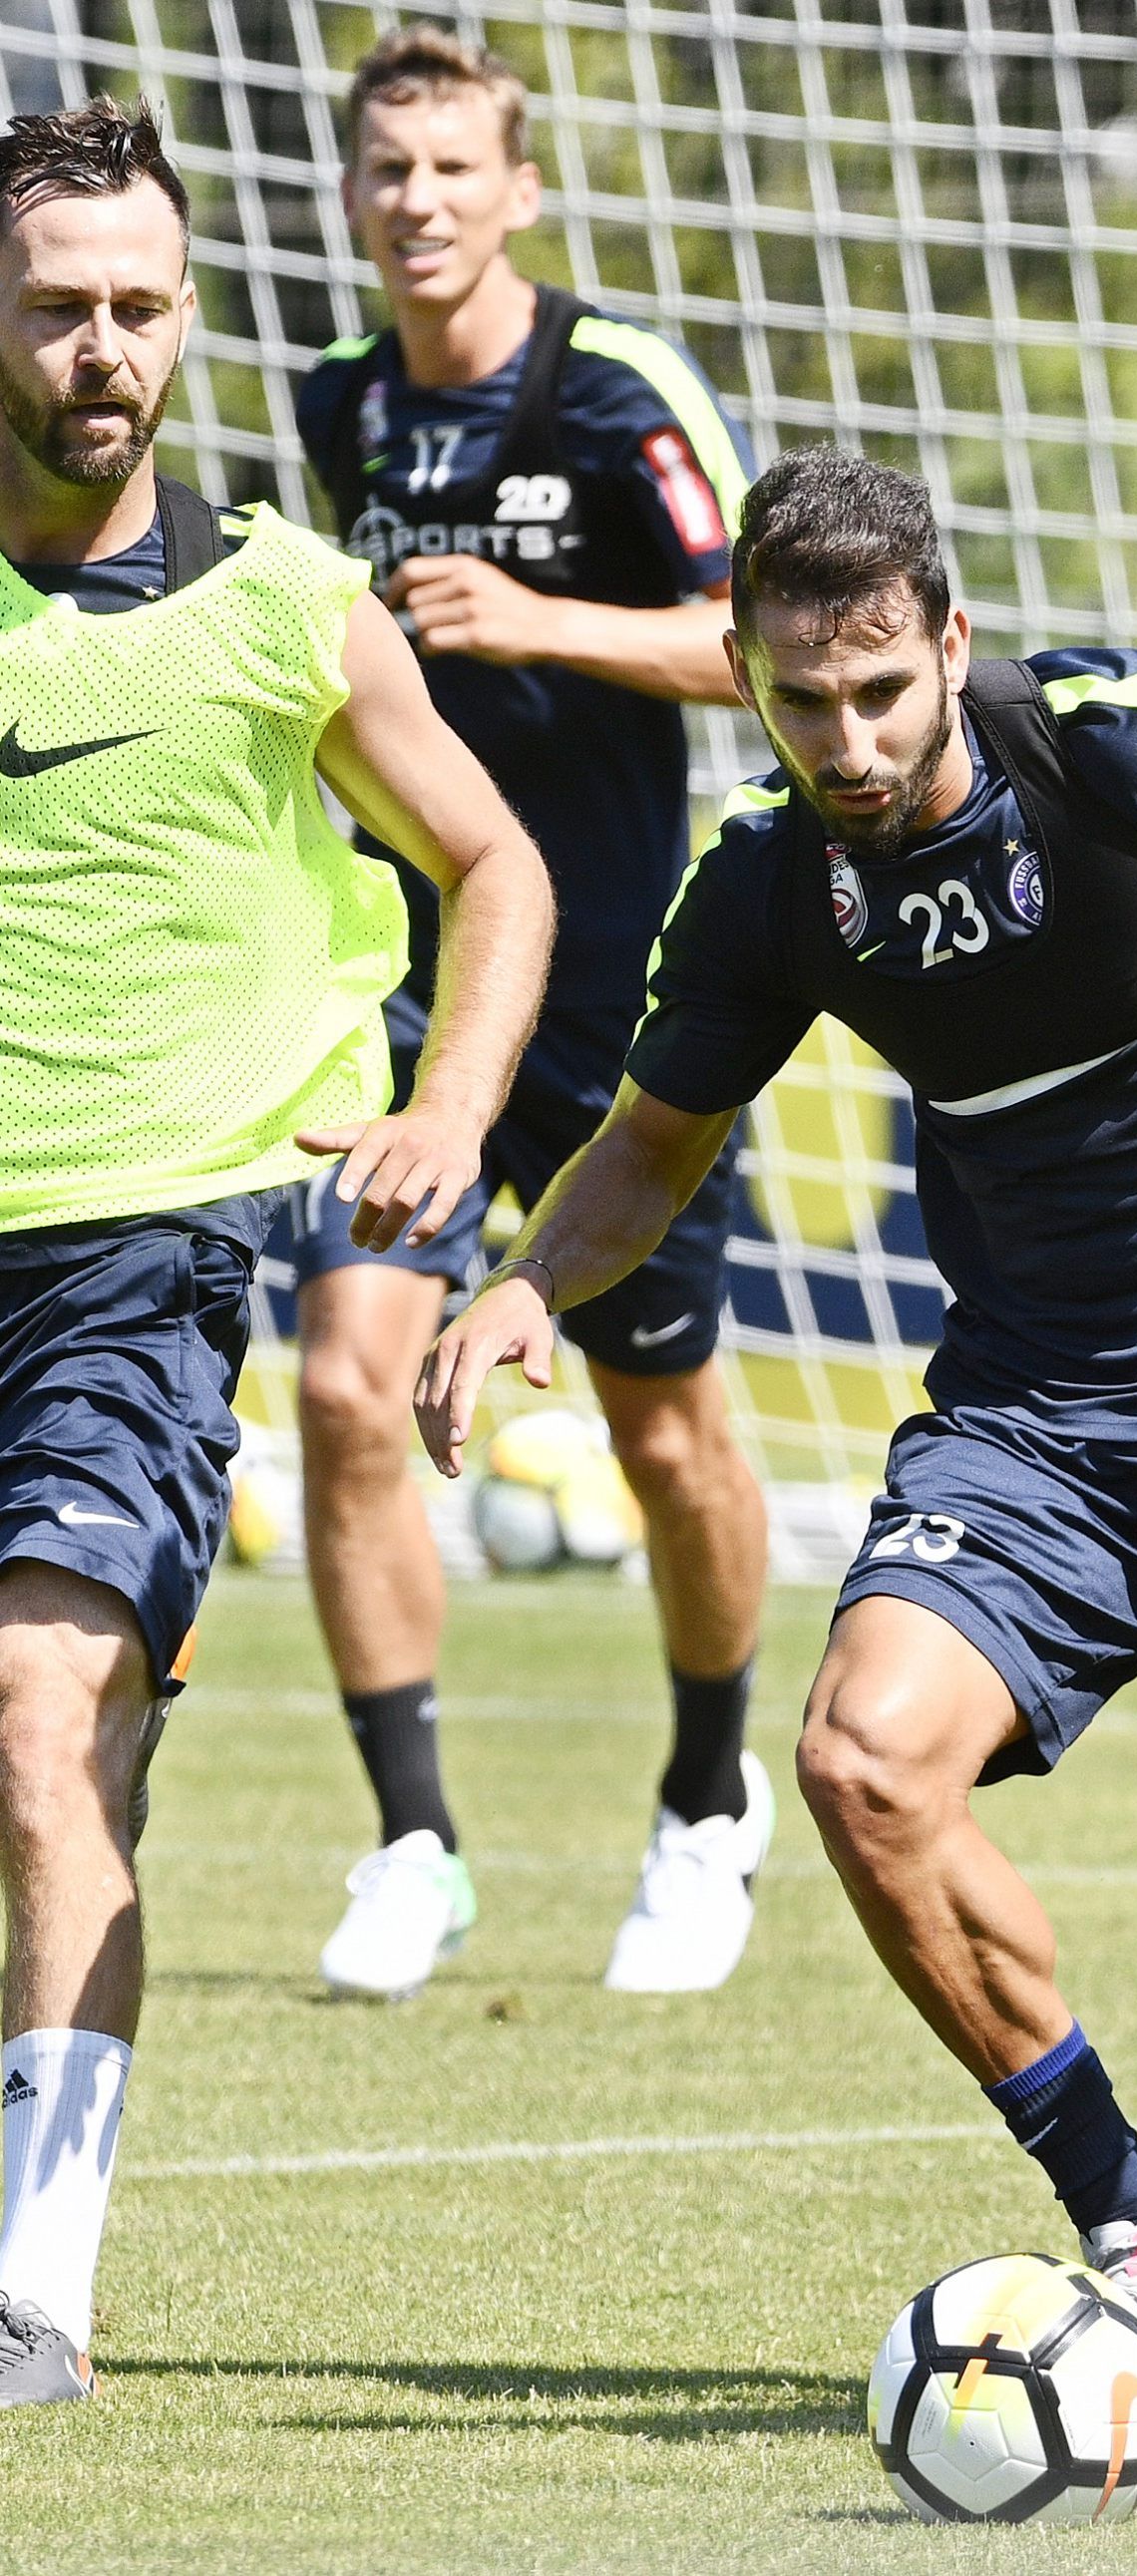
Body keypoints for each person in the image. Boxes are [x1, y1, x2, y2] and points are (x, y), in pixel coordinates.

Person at [415, 444, 1137, 2416]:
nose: (848, 737)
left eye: (879, 688)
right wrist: (529, 1284)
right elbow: (647, 1145)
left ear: (946, 641)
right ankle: (1134, 2213)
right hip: (1045, 1425)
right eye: (798, 699)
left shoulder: (1127, 745)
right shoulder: (767, 890)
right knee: (862, 1763)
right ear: (743, 669)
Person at [0, 97, 554, 2406]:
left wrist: (444, 1108)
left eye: (138, 306)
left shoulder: (280, 604)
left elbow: (496, 867)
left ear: (193, 317)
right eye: (54, 310)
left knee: (42, 1723)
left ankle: (34, 2271)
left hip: (134, 1259)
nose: (100, 349)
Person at [289, 25, 771, 2006]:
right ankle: (412, 1838)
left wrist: (545, 615)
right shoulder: (337, 412)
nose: (419, 199)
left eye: (453, 167)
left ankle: (705, 1796)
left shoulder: (616, 389)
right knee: (340, 1384)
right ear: (351, 192)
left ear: (521, 189)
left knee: (663, 1436)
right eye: (387, 168)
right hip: (409, 1000)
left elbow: (771, 643)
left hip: (617, 1003)